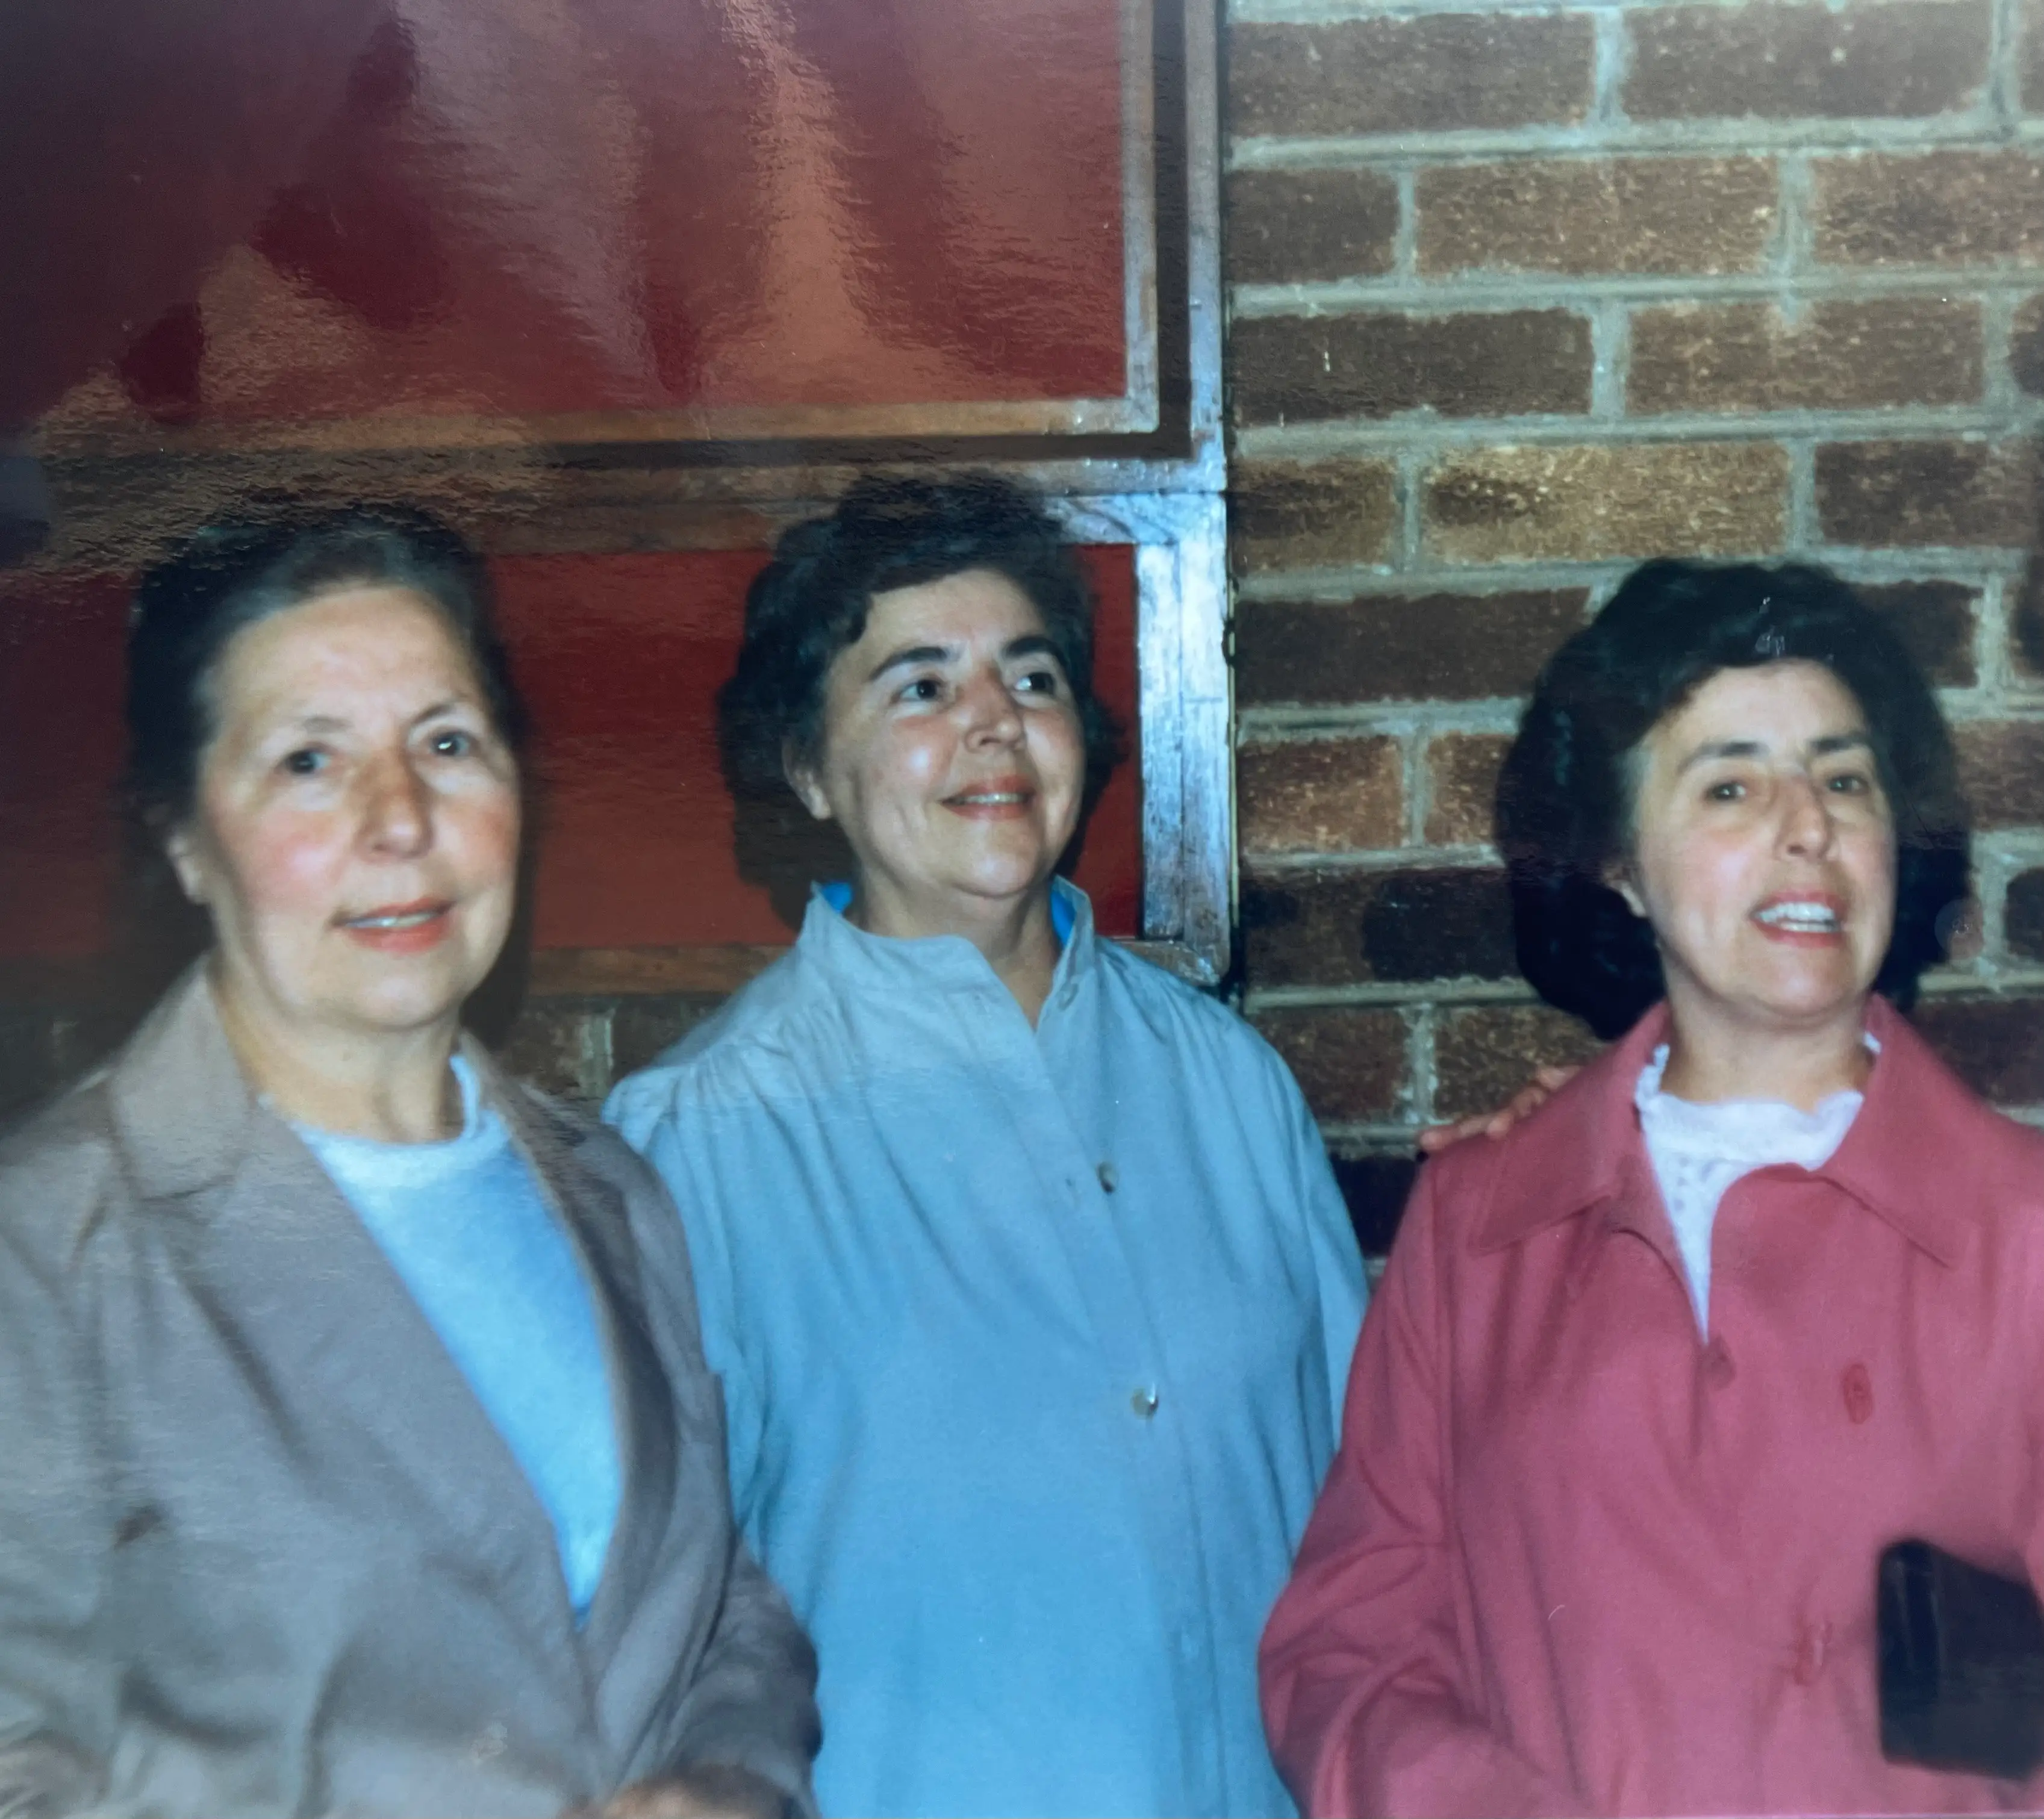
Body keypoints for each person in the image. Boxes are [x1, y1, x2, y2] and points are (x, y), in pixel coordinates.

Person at [0, 508, 819, 1818]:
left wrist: (725, 1780)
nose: (401, 820)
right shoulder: (49, 1247)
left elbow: (720, 1598)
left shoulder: (612, 1191)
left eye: (445, 742)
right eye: (310, 760)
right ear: (183, 837)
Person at [606, 472, 1365, 1818]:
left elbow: (1370, 1534)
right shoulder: (695, 1143)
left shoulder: (1228, 1085)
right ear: (804, 765)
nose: (993, 727)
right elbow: (646, 1646)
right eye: (917, 687)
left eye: (1029, 676)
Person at [1258, 558, 2044, 1817]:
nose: (1808, 826)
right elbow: (1349, 1647)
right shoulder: (1480, 1225)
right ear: (1616, 861)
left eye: (1843, 778)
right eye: (1730, 782)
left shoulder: (2020, 1236)